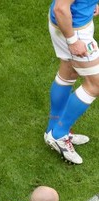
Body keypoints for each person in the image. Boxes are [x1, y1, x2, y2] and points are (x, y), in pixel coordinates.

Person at [44, 0, 99, 165]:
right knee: (96, 84)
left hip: (72, 23)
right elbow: (61, 8)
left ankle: (52, 130)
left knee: (69, 71)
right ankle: (59, 133)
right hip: (73, 29)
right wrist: (73, 41)